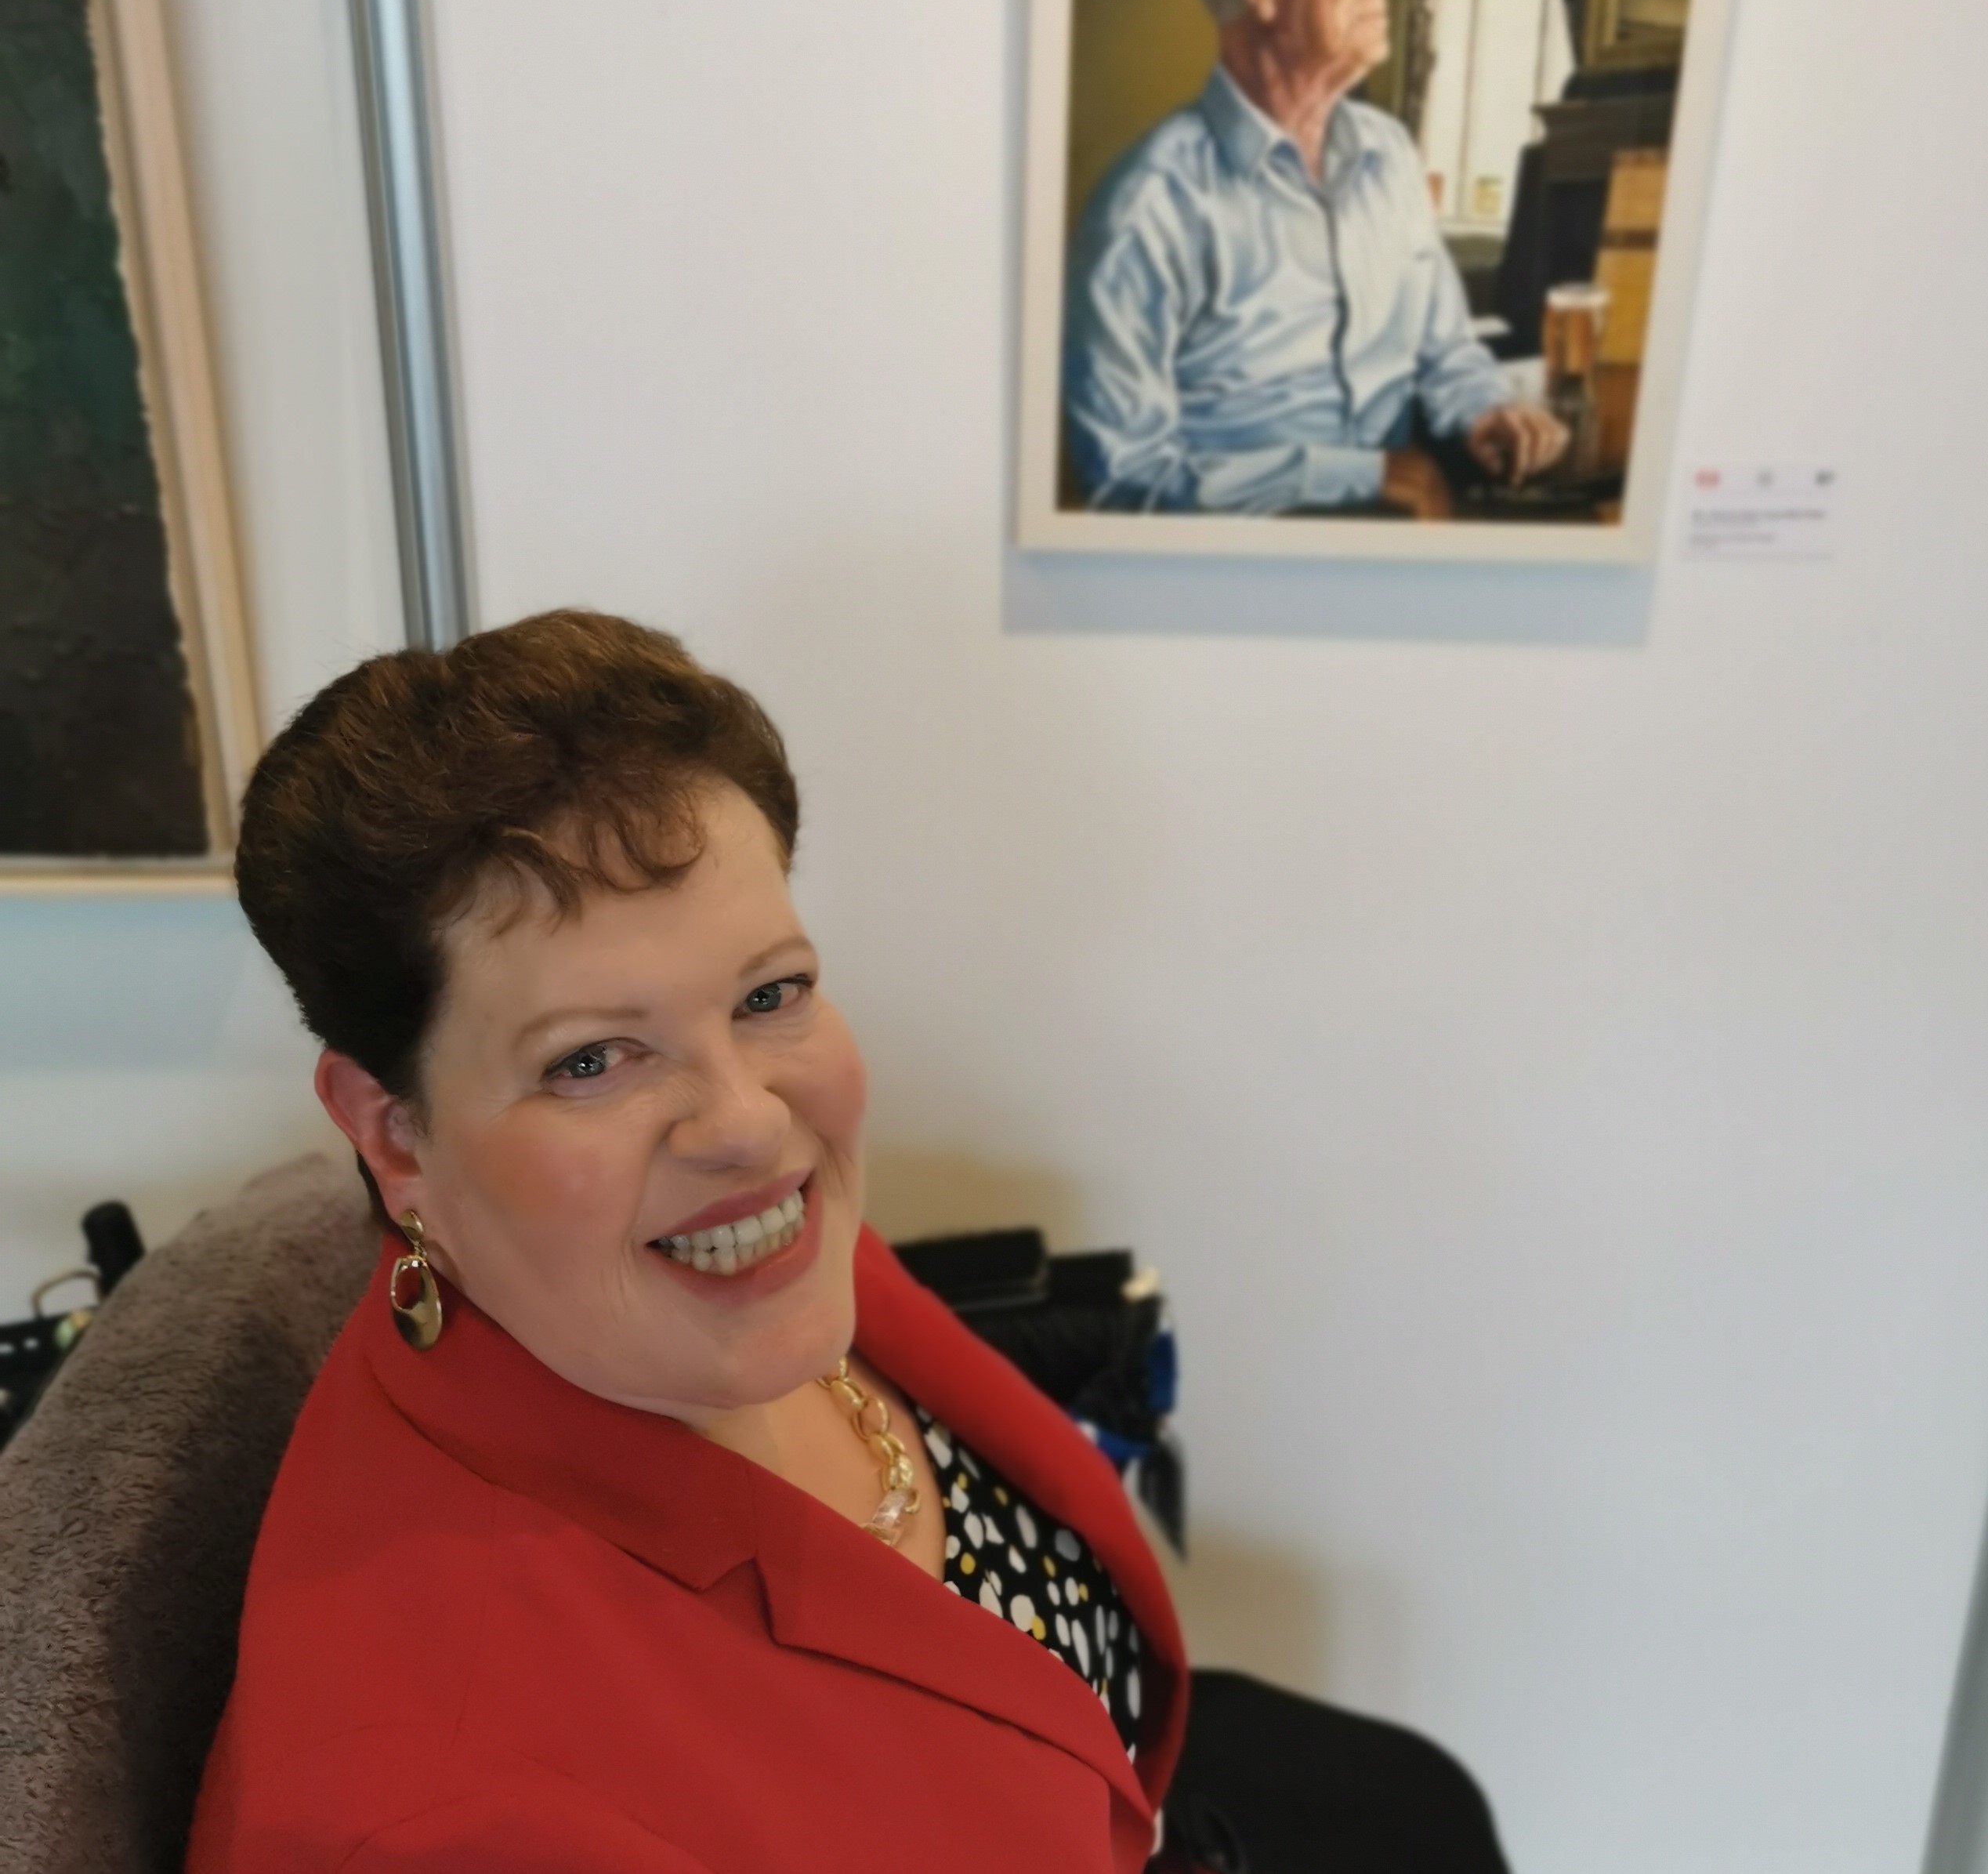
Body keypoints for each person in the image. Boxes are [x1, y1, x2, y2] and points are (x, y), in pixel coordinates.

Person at [190, 611, 1511, 1873]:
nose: (750, 1125)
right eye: (592, 1057)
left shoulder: (709, 1260)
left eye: (770, 992)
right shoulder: (429, 1816)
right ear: (394, 1131)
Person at [1063, 0, 1568, 517]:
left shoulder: (1389, 155)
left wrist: (1485, 411)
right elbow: (1124, 484)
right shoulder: (1146, 207)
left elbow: (1447, 352)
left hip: (1410, 540)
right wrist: (1360, 477)